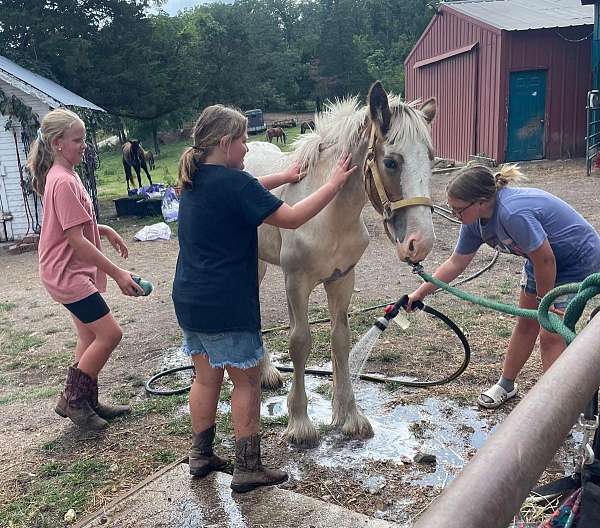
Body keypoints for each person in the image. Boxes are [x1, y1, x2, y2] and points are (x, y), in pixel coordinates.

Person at [172, 104, 356, 493]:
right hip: (228, 305)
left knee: (206, 380)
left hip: (190, 301)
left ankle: (201, 455)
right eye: (242, 142)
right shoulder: (238, 185)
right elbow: (291, 217)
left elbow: (248, 192)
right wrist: (332, 185)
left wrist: (286, 175)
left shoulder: (192, 181)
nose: (247, 150)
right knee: (247, 383)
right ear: (225, 144)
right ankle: (248, 466)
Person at [407, 164, 600, 409]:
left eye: (458, 209)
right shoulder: (474, 221)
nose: (454, 214)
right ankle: (506, 385)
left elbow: (546, 259)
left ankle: (557, 407)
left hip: (575, 259)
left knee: (550, 334)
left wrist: (545, 301)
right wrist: (419, 293)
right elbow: (456, 262)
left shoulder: (512, 213)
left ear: (480, 202)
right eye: (451, 208)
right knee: (526, 323)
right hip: (540, 261)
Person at [27, 108, 143, 431]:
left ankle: (85, 397)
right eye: (78, 140)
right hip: (67, 274)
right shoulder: (62, 181)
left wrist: (103, 230)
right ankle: (72, 401)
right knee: (110, 334)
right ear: (57, 143)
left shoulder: (67, 175)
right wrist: (119, 273)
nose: (84, 146)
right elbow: (76, 242)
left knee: (88, 335)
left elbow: (73, 225)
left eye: (85, 139)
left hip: (66, 269)